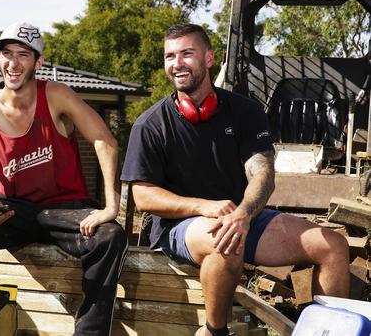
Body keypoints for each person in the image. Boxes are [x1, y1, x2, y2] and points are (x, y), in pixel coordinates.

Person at [121, 24, 350, 336]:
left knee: (333, 246)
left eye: (187, 53)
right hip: (181, 226)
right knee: (224, 242)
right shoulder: (150, 124)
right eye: (170, 56)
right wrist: (205, 207)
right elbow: (143, 197)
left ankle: (331, 331)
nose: (177, 63)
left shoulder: (244, 111)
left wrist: (243, 213)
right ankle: (215, 331)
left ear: (209, 58)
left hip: (243, 217)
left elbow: (263, 174)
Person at [0, 21, 128, 336]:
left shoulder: (56, 95)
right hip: (13, 212)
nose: (13, 63)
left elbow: (105, 140)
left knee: (110, 235)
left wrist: (111, 206)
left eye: (23, 55)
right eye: (6, 54)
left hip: (66, 211)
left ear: (38, 62)